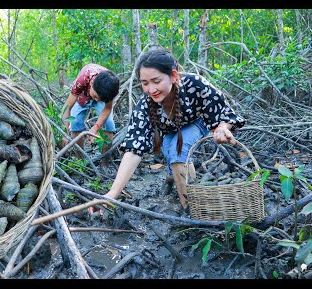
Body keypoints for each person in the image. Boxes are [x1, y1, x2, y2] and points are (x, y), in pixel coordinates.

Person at [100, 48, 246, 215]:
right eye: (145, 83)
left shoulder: (196, 84)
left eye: (156, 81)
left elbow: (224, 114)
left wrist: (221, 128)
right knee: (172, 154)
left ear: (173, 76)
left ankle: (191, 212)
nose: (151, 89)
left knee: (178, 154)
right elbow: (134, 149)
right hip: (169, 132)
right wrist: (113, 193)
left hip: (196, 123)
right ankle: (178, 182)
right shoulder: (145, 104)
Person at [60, 63, 120, 165]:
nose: (95, 100)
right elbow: (67, 107)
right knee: (75, 122)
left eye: (98, 99)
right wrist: (66, 132)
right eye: (95, 97)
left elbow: (107, 109)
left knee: (109, 125)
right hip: (83, 94)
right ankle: (80, 161)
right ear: (92, 86)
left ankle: (104, 162)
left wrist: (96, 127)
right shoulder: (82, 80)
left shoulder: (110, 89)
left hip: (101, 93)